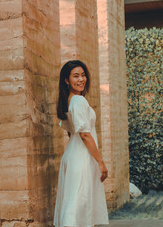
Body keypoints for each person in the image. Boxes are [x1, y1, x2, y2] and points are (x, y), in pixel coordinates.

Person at [53, 60, 109, 227]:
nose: (81, 79)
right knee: (77, 205)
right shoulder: (78, 101)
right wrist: (101, 162)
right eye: (76, 76)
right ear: (66, 80)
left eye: (83, 75)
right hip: (81, 157)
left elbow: (72, 131)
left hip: (75, 155)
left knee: (77, 203)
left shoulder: (70, 100)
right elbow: (84, 134)